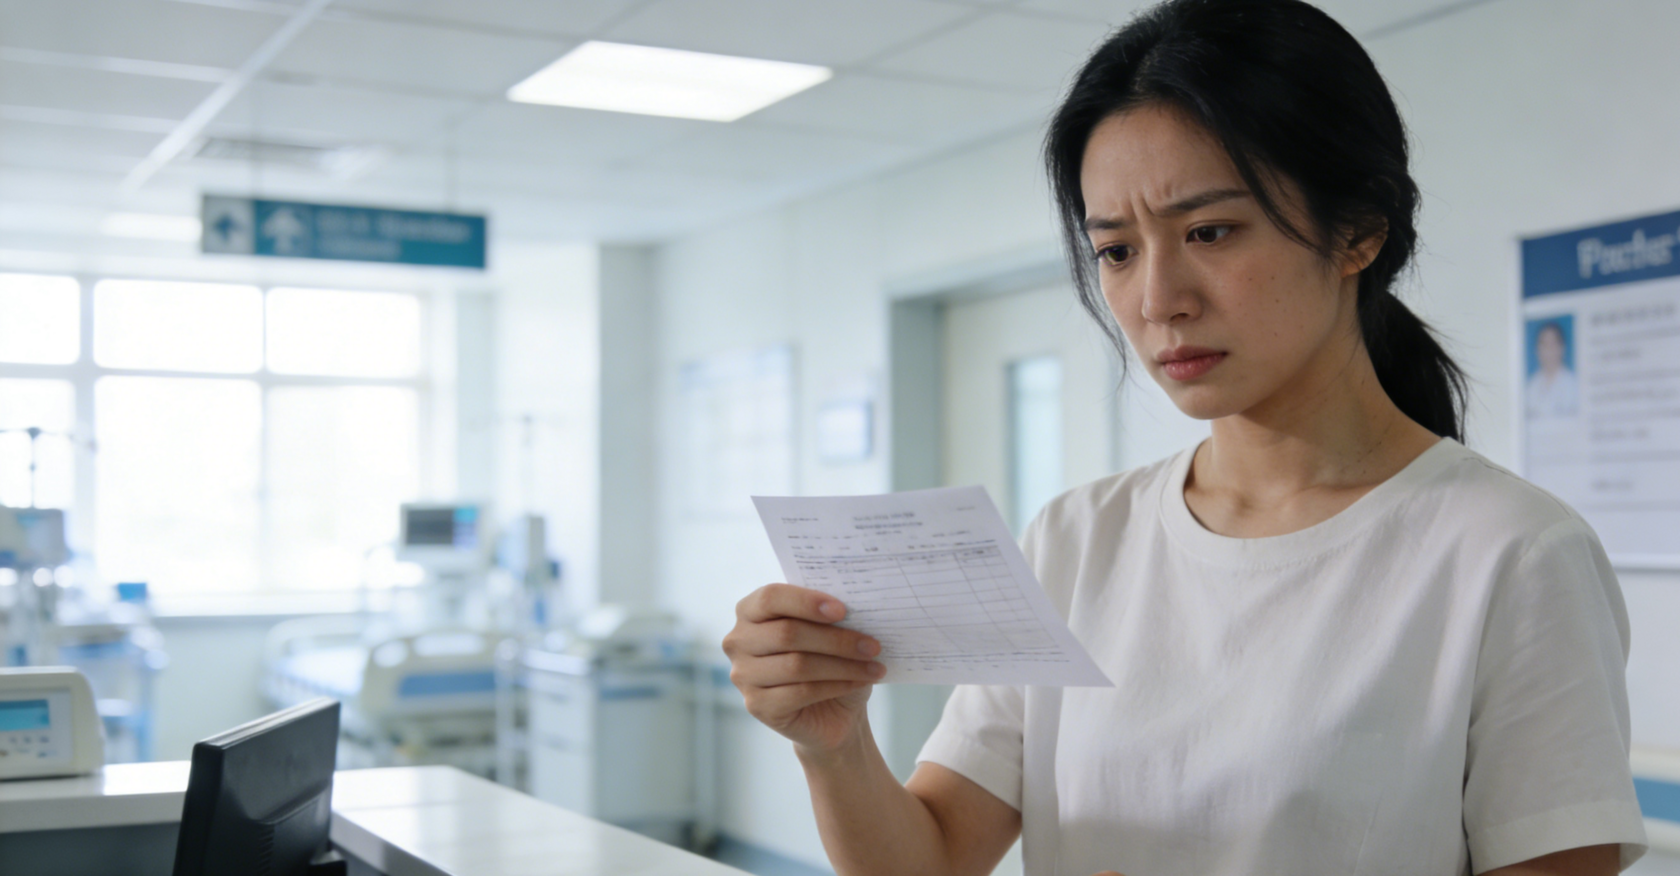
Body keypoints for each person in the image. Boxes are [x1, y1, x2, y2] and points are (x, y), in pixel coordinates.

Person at [720, 1, 1647, 874]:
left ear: (1359, 229)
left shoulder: (1510, 553)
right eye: (1117, 250)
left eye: (1209, 231)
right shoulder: (1079, 540)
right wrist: (834, 746)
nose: (1158, 299)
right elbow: (928, 855)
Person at [1527, 321, 1580, 418]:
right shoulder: (1530, 386)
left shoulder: (1573, 384)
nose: (1549, 351)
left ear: (1562, 348)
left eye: (1553, 344)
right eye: (1544, 345)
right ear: (1537, 350)